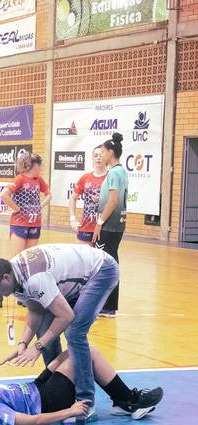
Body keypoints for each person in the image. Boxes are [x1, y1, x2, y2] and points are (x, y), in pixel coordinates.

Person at [0, 243, 120, 420]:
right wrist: (23, 344)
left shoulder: (34, 279)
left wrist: (38, 347)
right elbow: (36, 311)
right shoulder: (14, 279)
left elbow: (66, 316)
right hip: (74, 277)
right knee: (45, 327)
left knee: (74, 333)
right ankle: (62, 388)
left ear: (5, 278)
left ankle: (85, 403)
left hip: (101, 270)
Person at [0, 352, 163, 425]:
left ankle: (122, 400)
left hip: (36, 386)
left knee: (74, 347)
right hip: (48, 400)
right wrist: (70, 412)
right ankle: (130, 401)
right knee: (86, 352)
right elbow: (33, 421)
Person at [0, 152, 51, 308]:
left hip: (34, 224)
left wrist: (41, 205)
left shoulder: (39, 180)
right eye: (39, 166)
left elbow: (48, 194)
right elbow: (4, 195)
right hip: (20, 224)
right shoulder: (20, 179)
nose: (41, 169)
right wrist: (16, 208)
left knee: (29, 261)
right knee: (16, 260)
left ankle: (23, 294)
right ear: (32, 166)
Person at [93, 132, 128, 318]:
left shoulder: (113, 173)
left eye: (103, 152)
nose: (101, 155)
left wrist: (99, 222)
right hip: (117, 225)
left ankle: (107, 306)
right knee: (111, 261)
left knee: (106, 264)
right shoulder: (121, 171)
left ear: (111, 152)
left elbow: (113, 201)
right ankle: (108, 306)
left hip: (109, 226)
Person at [69, 145, 107, 245]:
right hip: (86, 227)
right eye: (96, 155)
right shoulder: (85, 178)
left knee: (102, 255)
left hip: (105, 228)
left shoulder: (111, 177)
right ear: (92, 158)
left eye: (101, 155)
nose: (98, 157)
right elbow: (73, 198)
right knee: (83, 255)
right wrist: (73, 219)